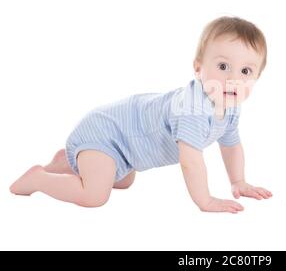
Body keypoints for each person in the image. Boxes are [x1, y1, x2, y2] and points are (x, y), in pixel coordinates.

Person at [11, 16, 272, 212]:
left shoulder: (230, 107)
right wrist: (205, 200)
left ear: (257, 77)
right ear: (198, 68)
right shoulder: (193, 109)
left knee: (123, 181)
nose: (233, 79)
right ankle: (39, 179)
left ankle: (67, 162)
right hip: (106, 135)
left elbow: (231, 144)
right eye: (223, 66)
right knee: (94, 196)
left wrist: (239, 180)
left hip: (125, 151)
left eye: (246, 72)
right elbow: (190, 161)